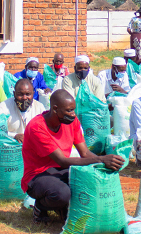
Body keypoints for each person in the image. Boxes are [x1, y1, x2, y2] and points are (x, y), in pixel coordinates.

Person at [21, 89, 124, 224]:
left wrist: (102, 167)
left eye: (74, 110)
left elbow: (85, 153)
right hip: (37, 176)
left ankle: (63, 208)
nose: (73, 114)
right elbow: (62, 161)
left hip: (61, 171)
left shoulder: (71, 122)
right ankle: (41, 206)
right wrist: (101, 159)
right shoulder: (37, 127)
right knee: (62, 194)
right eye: (69, 110)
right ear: (55, 109)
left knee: (90, 182)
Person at [0, 79, 47, 143]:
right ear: (14, 94)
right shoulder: (2, 108)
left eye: (28, 94)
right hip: (9, 149)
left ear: (33, 94)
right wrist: (14, 136)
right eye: (20, 94)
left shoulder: (39, 108)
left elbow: (45, 131)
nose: (24, 98)